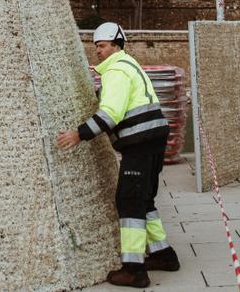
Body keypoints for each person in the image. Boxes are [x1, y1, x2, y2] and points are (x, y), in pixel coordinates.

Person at [57, 22, 180, 288]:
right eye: (96, 47)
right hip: (154, 139)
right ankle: (163, 254)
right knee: (144, 198)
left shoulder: (116, 71)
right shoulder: (130, 65)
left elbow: (110, 114)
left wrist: (78, 135)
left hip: (140, 143)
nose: (98, 52)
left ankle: (134, 269)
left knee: (129, 201)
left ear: (116, 46)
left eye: (101, 46)